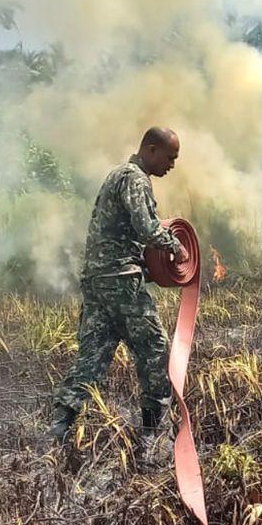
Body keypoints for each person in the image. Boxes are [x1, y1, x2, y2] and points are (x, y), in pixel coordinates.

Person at [48, 126, 188, 446]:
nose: (172, 165)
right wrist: (176, 247)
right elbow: (147, 227)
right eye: (170, 157)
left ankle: (59, 428)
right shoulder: (136, 179)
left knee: (92, 359)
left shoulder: (117, 175)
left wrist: (150, 267)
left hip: (96, 282)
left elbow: (122, 236)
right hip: (121, 282)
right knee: (155, 351)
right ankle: (151, 433)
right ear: (151, 150)